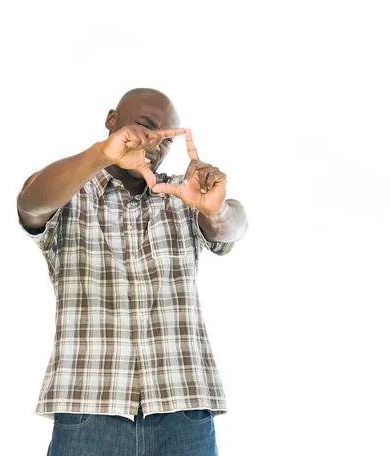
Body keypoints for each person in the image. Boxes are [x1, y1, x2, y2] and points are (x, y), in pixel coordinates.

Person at [17, 88, 248, 456]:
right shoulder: (69, 191)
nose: (153, 142)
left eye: (165, 138)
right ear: (112, 121)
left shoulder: (182, 194)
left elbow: (233, 226)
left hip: (183, 407)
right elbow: (30, 202)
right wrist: (100, 153)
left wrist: (216, 210)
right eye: (144, 127)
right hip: (87, 409)